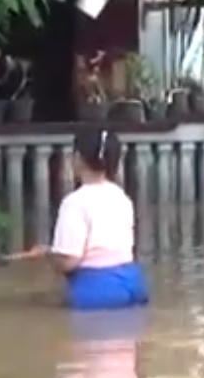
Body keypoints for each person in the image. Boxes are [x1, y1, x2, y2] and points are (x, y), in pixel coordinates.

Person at [30, 126, 149, 310]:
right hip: (133, 284)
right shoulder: (121, 197)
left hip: (98, 290)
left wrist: (49, 256)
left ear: (77, 159)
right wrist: (50, 250)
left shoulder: (74, 203)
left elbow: (69, 261)